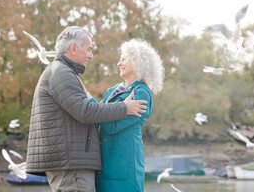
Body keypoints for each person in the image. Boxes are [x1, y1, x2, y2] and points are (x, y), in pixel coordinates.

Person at [25, 26, 148, 192]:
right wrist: (124, 107)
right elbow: (86, 112)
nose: (91, 56)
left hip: (71, 162)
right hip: (71, 164)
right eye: (88, 50)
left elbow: (85, 109)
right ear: (74, 48)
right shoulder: (61, 72)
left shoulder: (60, 71)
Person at [95, 39, 165, 192]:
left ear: (138, 62)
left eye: (124, 59)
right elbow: (97, 115)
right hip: (105, 165)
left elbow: (109, 125)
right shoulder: (114, 89)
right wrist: (85, 98)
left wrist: (90, 103)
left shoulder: (142, 93)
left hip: (123, 169)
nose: (119, 63)